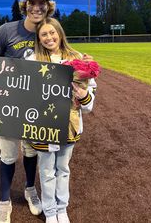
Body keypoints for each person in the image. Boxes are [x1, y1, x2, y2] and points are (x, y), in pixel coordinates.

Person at [0, 0, 93, 223]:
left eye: (42, 4)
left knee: (30, 151)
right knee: (8, 155)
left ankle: (30, 190)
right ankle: (5, 202)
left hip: (35, 109)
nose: (36, 7)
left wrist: (83, 60)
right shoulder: (6, 30)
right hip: (9, 104)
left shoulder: (48, 33)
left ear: (48, 7)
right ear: (24, 5)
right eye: (32, 3)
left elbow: (63, 52)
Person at [25, 17, 97, 223]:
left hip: (69, 124)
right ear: (39, 38)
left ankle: (61, 208)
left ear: (60, 33)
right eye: (44, 34)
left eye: (52, 33)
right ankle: (50, 212)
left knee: (63, 169)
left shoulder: (78, 58)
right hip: (42, 126)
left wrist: (84, 95)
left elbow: (89, 99)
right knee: (47, 171)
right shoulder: (32, 60)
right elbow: (15, 85)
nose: (49, 38)